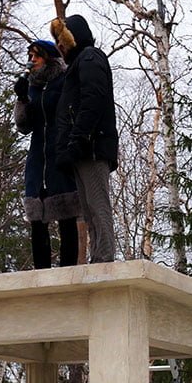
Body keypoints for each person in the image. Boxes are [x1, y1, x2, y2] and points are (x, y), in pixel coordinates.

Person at [50, 14, 118, 264]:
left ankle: (105, 259)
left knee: (98, 205)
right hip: (81, 148)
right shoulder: (78, 64)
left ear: (73, 37)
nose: (59, 46)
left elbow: (93, 100)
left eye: (62, 40)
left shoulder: (90, 57)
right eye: (57, 41)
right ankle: (98, 257)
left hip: (91, 146)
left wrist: (78, 139)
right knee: (88, 210)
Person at [13, 39, 81, 269]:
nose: (32, 60)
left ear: (48, 58)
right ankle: (41, 273)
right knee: (37, 216)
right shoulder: (32, 86)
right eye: (30, 56)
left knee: (66, 215)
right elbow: (24, 126)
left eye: (36, 55)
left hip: (59, 153)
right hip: (37, 157)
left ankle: (68, 271)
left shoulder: (63, 81)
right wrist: (22, 99)